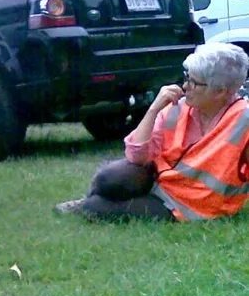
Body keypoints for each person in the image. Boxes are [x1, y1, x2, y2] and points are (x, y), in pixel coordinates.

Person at [54, 42, 249, 222]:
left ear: (220, 92)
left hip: (191, 203)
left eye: (194, 83)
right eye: (186, 78)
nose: (185, 87)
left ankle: (85, 205)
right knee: (108, 178)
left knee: (95, 207)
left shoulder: (243, 120)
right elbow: (135, 156)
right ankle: (86, 202)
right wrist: (154, 109)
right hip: (159, 179)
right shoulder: (178, 106)